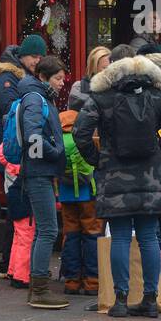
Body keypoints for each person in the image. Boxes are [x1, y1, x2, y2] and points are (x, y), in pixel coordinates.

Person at [74, 49, 161, 318]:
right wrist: (159, 149)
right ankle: (149, 299)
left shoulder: (102, 96)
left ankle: (120, 300)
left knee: (120, 236)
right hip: (150, 175)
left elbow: (80, 132)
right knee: (148, 237)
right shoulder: (157, 95)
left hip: (114, 173)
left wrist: (97, 159)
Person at [16, 55, 69, 309]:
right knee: (48, 229)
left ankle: (37, 288)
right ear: (43, 77)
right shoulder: (36, 99)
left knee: (42, 230)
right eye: (58, 78)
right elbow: (33, 136)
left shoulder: (38, 96)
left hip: (39, 171)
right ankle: (39, 290)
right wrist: (55, 152)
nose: (62, 83)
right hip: (38, 172)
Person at [0, 34, 46, 279]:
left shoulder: (21, 78)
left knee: (17, 212)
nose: (38, 60)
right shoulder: (8, 79)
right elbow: (12, 112)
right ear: (23, 55)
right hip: (11, 153)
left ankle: (10, 266)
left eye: (40, 56)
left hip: (14, 152)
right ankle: (10, 265)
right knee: (17, 211)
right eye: (34, 56)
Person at [57, 109, 100, 295]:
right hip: (88, 192)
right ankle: (92, 281)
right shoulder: (87, 136)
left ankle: (72, 281)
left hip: (66, 194)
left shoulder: (58, 138)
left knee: (71, 235)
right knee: (92, 234)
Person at [67, 45, 111, 112]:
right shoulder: (79, 87)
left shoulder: (115, 87)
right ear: (93, 67)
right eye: (104, 68)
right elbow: (74, 116)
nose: (108, 71)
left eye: (110, 68)